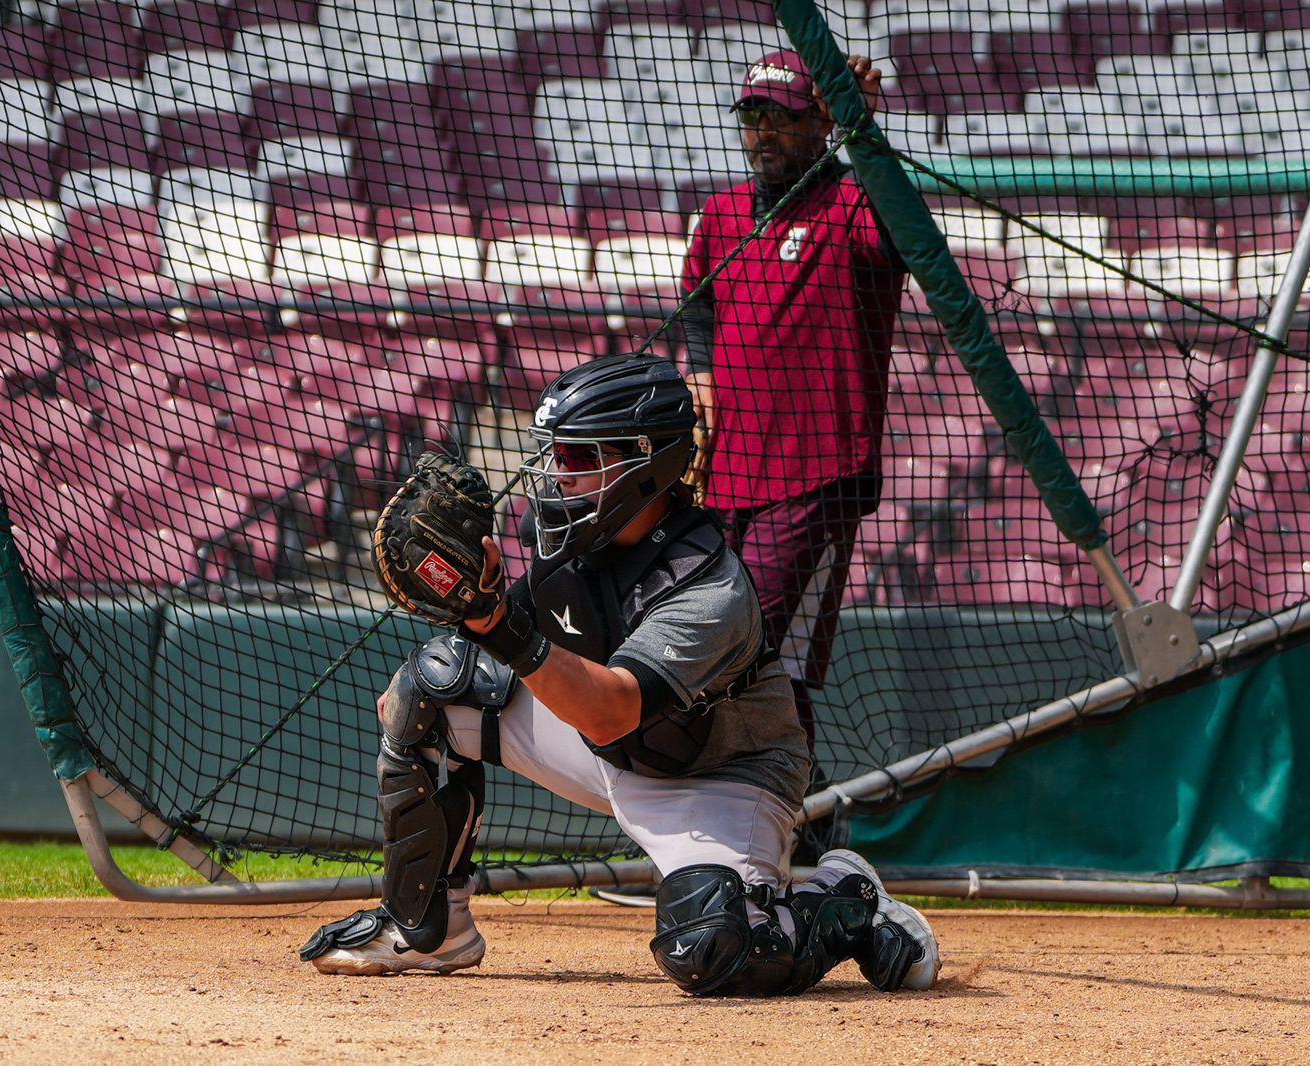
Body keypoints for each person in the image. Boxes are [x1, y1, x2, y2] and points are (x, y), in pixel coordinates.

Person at [299, 355, 939, 996]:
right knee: (431, 687)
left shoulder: (708, 587)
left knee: (713, 944)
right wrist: (465, 616)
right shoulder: (568, 537)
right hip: (609, 750)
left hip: (718, 776)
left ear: (646, 464)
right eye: (555, 455)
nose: (556, 476)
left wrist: (495, 624)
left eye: (579, 458)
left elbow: (611, 707)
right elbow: (509, 650)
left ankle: (845, 894)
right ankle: (429, 929)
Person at [681, 49, 907, 757]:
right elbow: (696, 303)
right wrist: (700, 379)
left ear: (820, 124)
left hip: (819, 479)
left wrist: (864, 129)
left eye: (782, 116)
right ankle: (789, 828)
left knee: (757, 657)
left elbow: (904, 237)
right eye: (752, 115)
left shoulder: (853, 203)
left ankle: (772, 828)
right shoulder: (720, 215)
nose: (763, 131)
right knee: (715, 656)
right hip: (722, 481)